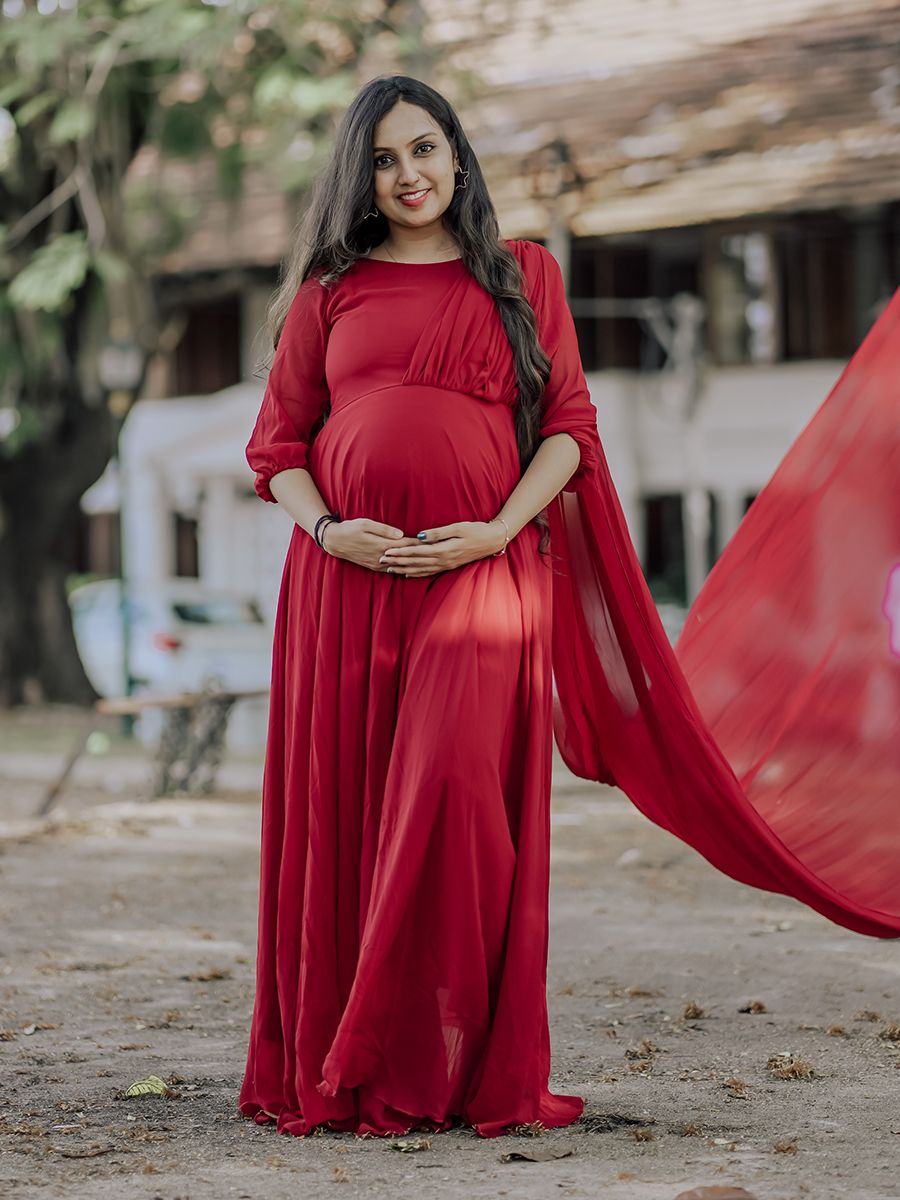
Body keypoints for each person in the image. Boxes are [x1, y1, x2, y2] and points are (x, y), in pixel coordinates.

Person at [238, 74, 900, 1141]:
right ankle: (363, 1062)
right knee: (356, 814)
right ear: (359, 179)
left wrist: (498, 529)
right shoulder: (329, 290)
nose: (407, 175)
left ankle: (426, 1058)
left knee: (453, 796)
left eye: (423, 149)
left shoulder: (522, 275)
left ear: (458, 154)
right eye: (383, 160)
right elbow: (277, 449)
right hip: (347, 588)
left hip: (487, 577)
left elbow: (569, 431)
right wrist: (327, 531)